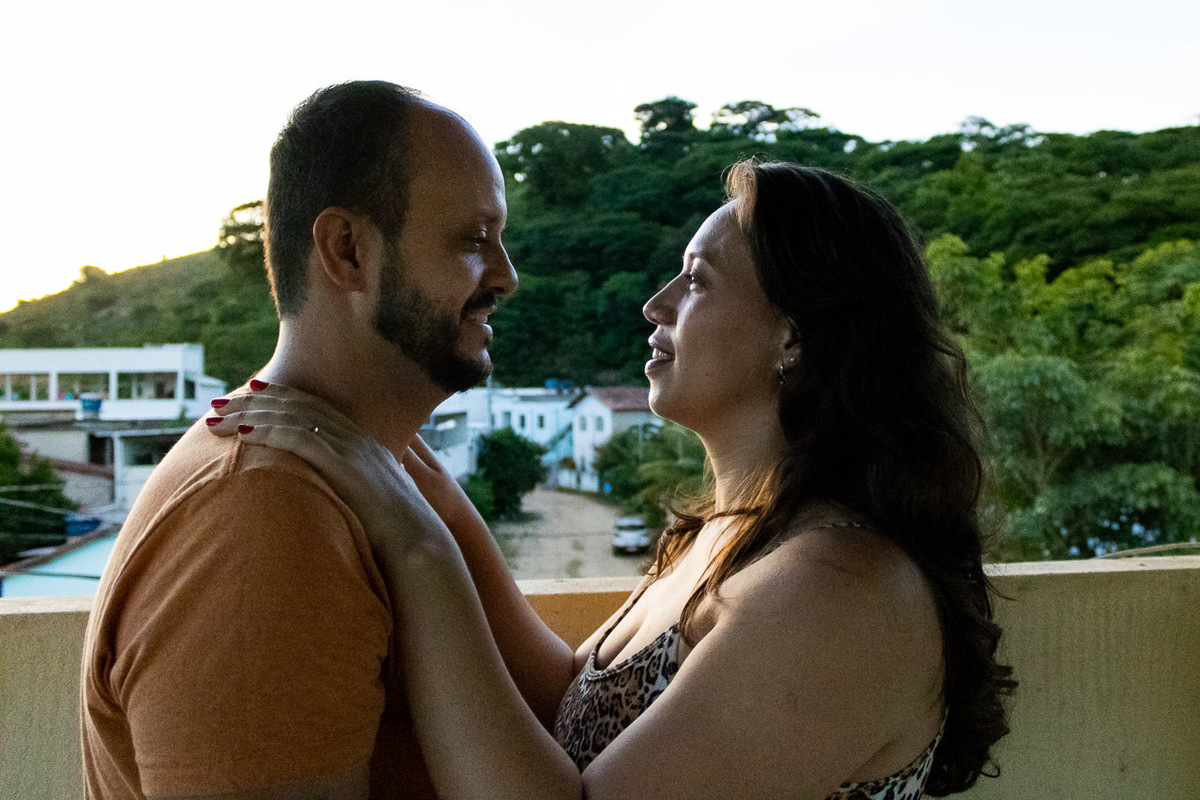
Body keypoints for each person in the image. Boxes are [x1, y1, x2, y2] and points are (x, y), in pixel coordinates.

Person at [207, 160, 1016, 798]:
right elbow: (572, 699)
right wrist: (417, 481)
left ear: (794, 338)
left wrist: (416, 543)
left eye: (697, 280)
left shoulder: (838, 588)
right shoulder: (729, 539)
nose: (655, 305)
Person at [79, 80, 563, 799]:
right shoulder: (261, 515)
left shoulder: (384, 476)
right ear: (348, 251)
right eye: (472, 239)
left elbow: (565, 707)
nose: (506, 276)